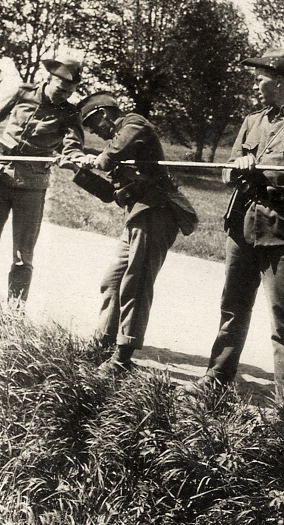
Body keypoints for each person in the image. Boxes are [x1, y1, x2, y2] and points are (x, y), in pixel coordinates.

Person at [194, 48, 284, 402]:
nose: (256, 86)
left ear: (278, 81)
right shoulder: (252, 121)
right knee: (233, 308)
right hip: (243, 226)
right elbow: (227, 171)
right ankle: (217, 378)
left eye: (260, 80)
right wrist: (238, 164)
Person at [78, 92, 198, 376]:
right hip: (136, 216)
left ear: (104, 114)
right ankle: (104, 344)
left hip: (156, 213)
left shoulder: (134, 124)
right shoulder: (116, 140)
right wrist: (77, 168)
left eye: (94, 125)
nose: (95, 132)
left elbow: (111, 157)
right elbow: (111, 194)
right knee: (112, 281)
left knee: (136, 283)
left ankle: (122, 359)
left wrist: (95, 159)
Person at [0, 56, 87, 301]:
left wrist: (71, 157)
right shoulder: (22, 93)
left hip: (31, 185)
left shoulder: (70, 113)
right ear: (48, 79)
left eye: (68, 93)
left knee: (22, 256)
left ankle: (14, 314)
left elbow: (72, 145)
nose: (63, 96)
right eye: (60, 89)